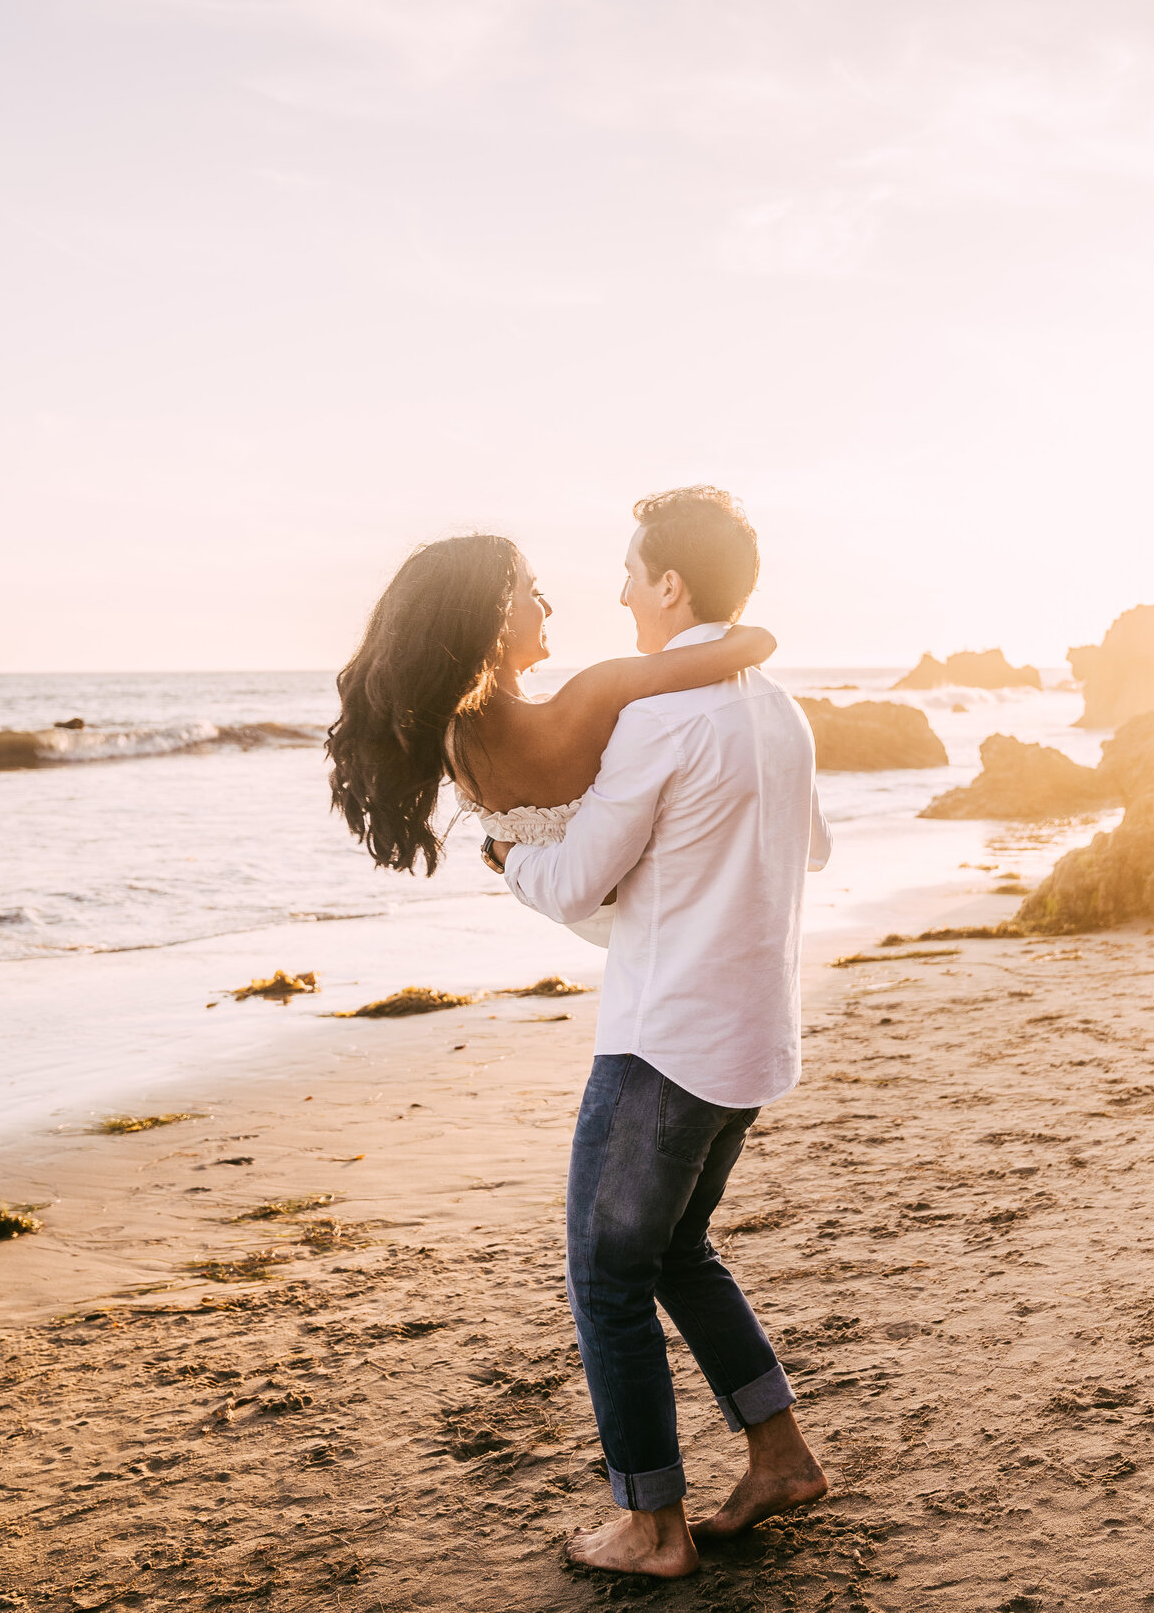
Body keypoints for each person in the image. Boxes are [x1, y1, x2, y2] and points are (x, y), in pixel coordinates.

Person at [490, 485, 832, 1579]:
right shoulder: (777, 707)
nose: (621, 589)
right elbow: (809, 852)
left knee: (605, 1274)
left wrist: (509, 850)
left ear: (671, 585)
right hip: (751, 1038)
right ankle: (778, 1456)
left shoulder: (659, 715)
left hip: (664, 1042)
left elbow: (576, 876)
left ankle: (650, 1523)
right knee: (676, 1249)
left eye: (632, 571)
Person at [324, 531, 776, 883]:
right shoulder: (593, 693)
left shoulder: (452, 740)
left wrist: (497, 852)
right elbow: (757, 643)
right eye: (535, 593)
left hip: (577, 905)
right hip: (650, 909)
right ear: (497, 615)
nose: (549, 608)